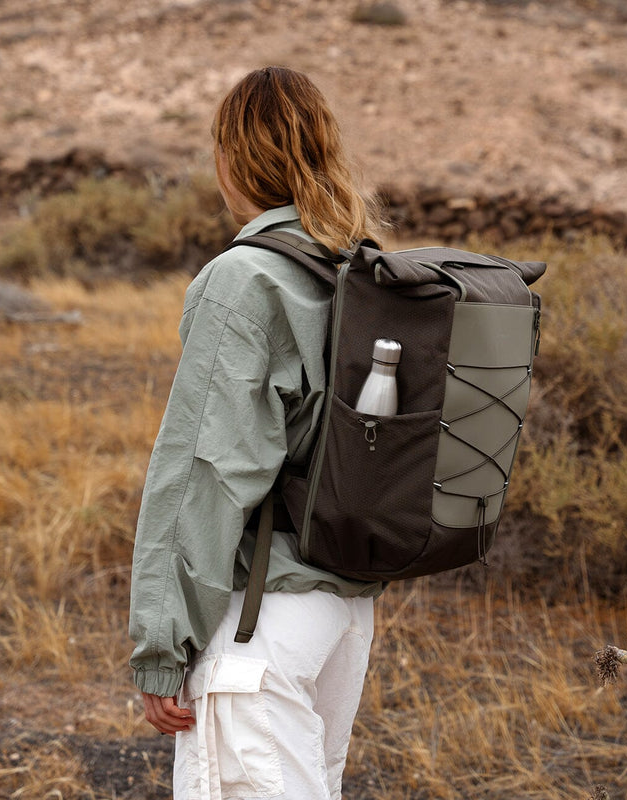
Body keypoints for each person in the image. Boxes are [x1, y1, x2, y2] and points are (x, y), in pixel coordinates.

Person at [129, 66, 385, 800]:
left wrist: (162, 644)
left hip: (260, 624)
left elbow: (203, 473)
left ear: (231, 158)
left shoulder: (246, 278)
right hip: (342, 612)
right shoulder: (355, 268)